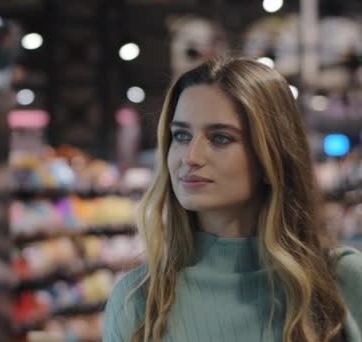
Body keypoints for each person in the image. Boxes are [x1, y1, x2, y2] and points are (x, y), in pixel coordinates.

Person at [102, 56, 362, 342]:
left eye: (220, 138)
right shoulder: (137, 301)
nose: (191, 157)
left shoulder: (341, 282)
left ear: (271, 155)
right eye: (181, 135)